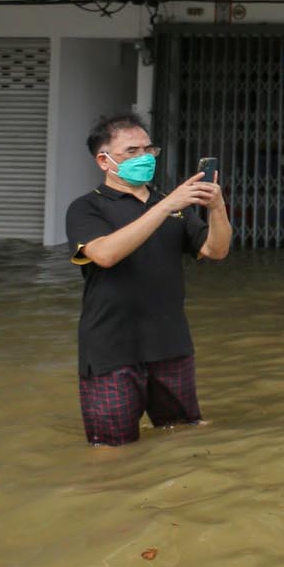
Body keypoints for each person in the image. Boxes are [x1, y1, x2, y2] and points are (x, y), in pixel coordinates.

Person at [66, 112, 232, 447]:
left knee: (183, 437)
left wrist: (216, 208)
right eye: (131, 151)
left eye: (148, 149)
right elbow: (105, 254)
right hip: (111, 349)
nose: (144, 157)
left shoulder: (174, 208)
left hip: (170, 345)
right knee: (111, 452)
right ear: (104, 160)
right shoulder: (86, 208)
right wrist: (166, 205)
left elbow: (216, 250)